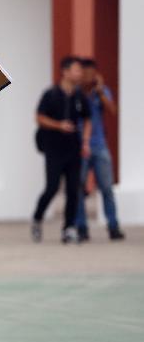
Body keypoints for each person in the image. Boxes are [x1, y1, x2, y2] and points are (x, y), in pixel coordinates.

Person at [32, 56, 91, 244]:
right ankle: (37, 218)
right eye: (76, 70)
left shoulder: (80, 96)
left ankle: (69, 228)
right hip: (54, 149)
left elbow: (88, 118)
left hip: (74, 149)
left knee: (74, 189)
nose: (80, 74)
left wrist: (86, 142)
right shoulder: (51, 94)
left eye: (81, 71)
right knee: (52, 187)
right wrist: (59, 125)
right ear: (65, 71)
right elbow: (39, 118)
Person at [76, 58, 124, 242]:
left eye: (91, 73)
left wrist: (100, 92)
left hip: (99, 145)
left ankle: (113, 226)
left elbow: (113, 110)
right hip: (79, 147)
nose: (87, 77)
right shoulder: (76, 93)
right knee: (78, 188)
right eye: (84, 73)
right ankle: (81, 227)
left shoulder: (101, 92)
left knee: (107, 188)